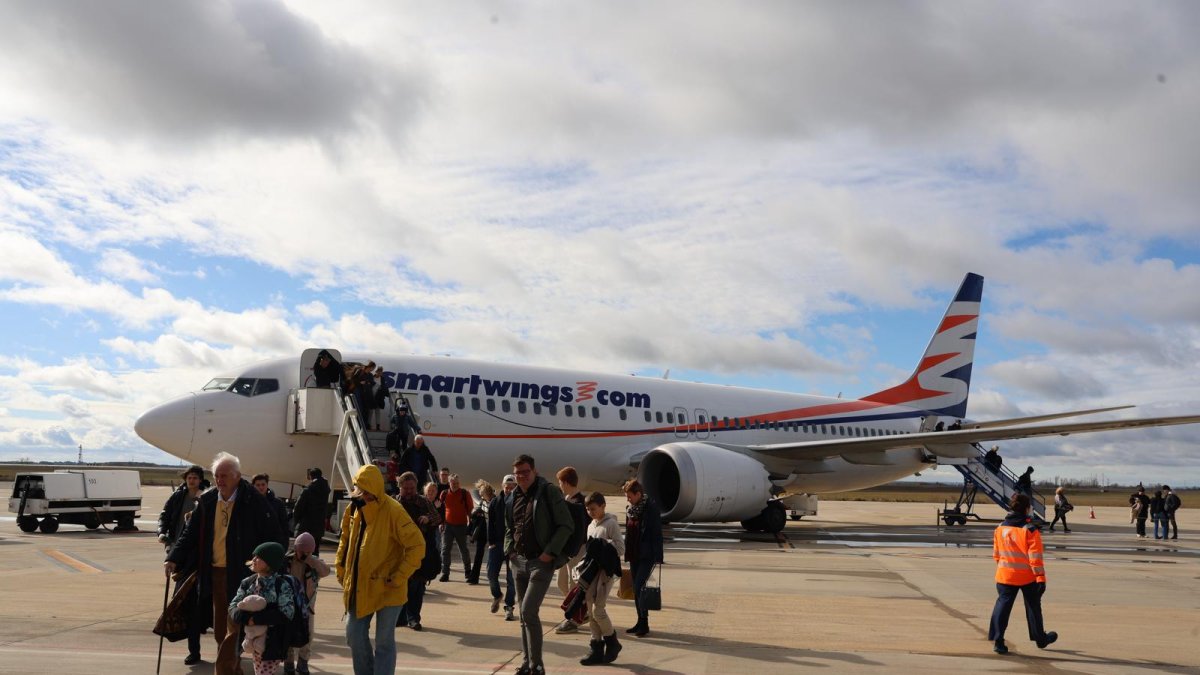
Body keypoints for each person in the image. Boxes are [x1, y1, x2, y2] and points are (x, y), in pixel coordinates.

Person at [165, 452, 286, 675]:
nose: (219, 480)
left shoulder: (253, 501)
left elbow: (276, 536)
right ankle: (233, 669)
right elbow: (189, 534)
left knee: (233, 627)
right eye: (216, 475)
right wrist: (173, 558)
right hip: (215, 573)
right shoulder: (209, 500)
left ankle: (224, 671)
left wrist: (267, 565)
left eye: (224, 476)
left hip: (244, 575)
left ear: (237, 476)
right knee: (222, 630)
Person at [335, 464, 425, 675]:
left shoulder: (393, 510)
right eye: (360, 490)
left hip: (389, 586)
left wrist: (399, 576)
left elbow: (417, 545)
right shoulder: (353, 509)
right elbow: (345, 541)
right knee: (353, 635)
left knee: (384, 641)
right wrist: (341, 569)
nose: (363, 495)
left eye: (367, 492)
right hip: (360, 584)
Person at [505, 454, 575, 675]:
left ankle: (537, 665)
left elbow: (566, 525)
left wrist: (549, 553)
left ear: (534, 471)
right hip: (519, 561)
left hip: (540, 562)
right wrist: (510, 550)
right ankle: (527, 663)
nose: (522, 476)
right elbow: (510, 527)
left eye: (525, 472)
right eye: (518, 473)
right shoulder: (513, 496)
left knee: (528, 611)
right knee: (524, 617)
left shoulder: (548, 492)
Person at [988, 492, 1057, 654]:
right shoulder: (1030, 530)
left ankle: (998, 641)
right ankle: (1040, 639)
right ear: (1026, 509)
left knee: (1002, 606)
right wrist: (1040, 577)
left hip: (1005, 575)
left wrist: (1006, 567)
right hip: (1027, 577)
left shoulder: (1000, 528)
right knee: (1033, 607)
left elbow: (996, 554)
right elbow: (1035, 557)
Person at [157, 464, 210, 664]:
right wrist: (163, 532)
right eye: (189, 477)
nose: (192, 480)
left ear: (200, 479)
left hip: (202, 558)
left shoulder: (207, 498)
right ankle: (194, 651)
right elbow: (164, 515)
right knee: (186, 604)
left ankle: (228, 650)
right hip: (180, 557)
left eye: (195, 477)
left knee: (205, 606)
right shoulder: (178, 496)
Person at [228, 541, 295, 675]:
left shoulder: (281, 585)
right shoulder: (248, 583)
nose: (254, 559)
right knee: (259, 670)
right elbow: (233, 607)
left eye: (259, 557)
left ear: (270, 563)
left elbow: (287, 613)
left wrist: (257, 619)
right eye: (254, 556)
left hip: (272, 643)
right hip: (251, 640)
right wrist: (246, 618)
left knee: (263, 672)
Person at [578, 491, 625, 666]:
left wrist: (604, 546)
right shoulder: (591, 526)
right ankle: (596, 648)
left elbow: (620, 548)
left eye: (593, 509)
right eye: (588, 509)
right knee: (590, 611)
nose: (591, 512)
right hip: (591, 573)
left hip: (605, 573)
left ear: (603, 506)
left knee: (599, 610)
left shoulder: (611, 524)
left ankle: (612, 642)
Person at [396, 471, 442, 631]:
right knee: (401, 586)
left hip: (420, 552)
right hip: (399, 552)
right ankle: (400, 617)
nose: (409, 491)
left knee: (417, 587)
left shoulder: (423, 502)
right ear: (400, 487)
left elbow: (438, 518)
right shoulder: (394, 503)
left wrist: (428, 519)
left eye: (412, 488)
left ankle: (413, 618)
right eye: (406, 488)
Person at [284, 533, 329, 675]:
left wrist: (310, 560)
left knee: (307, 636)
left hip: (307, 607)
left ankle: (303, 664)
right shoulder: (287, 561)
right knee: (287, 636)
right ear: (296, 549)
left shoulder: (314, 563)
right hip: (289, 605)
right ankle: (288, 664)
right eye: (302, 551)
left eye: (308, 551)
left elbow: (326, 571)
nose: (304, 554)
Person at [623, 478, 663, 638]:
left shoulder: (651, 509)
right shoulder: (630, 510)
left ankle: (644, 623)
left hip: (647, 555)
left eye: (630, 496)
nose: (628, 499)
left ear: (638, 494)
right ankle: (639, 621)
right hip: (633, 554)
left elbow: (657, 533)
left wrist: (658, 556)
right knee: (635, 589)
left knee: (640, 587)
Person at [554, 466, 588, 634]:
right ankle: (582, 610)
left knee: (574, 584)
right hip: (565, 551)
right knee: (561, 584)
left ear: (566, 483)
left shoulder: (579, 503)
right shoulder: (568, 500)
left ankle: (574, 618)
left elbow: (581, 530)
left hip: (576, 551)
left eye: (560, 482)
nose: (559, 485)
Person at [488, 474, 518, 621]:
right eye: (507, 487)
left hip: (513, 546)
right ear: (502, 486)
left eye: (512, 487)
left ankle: (509, 607)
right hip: (497, 544)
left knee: (511, 578)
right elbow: (490, 523)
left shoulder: (520, 502)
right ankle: (497, 595)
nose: (509, 489)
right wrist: (491, 542)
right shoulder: (495, 502)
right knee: (491, 574)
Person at [439, 473, 474, 582]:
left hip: (461, 526)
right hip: (448, 526)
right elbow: (440, 510)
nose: (455, 485)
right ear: (449, 483)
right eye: (453, 483)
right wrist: (441, 523)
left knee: (464, 550)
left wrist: (471, 524)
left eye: (457, 483)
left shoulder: (465, 493)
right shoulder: (444, 494)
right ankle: (445, 573)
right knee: (445, 550)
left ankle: (468, 572)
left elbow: (470, 509)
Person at [291, 468, 330, 556]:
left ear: (310, 476)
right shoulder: (326, 491)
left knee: (300, 554)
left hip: (305, 527)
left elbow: (298, 508)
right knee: (314, 553)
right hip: (318, 528)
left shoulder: (308, 490)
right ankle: (313, 569)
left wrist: (296, 522)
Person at [468, 480, 493, 585]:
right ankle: (474, 577)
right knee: (478, 554)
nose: (481, 497)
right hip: (483, 531)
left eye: (482, 494)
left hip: (493, 532)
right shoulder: (483, 502)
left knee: (493, 555)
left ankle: (492, 576)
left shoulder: (495, 502)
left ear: (487, 493)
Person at [370, 366, 389, 431]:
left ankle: (378, 425)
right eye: (379, 371)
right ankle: (368, 424)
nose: (380, 373)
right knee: (371, 411)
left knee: (377, 412)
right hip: (372, 396)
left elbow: (384, 387)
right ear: (376, 371)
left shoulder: (382, 379)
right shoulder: (372, 378)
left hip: (379, 397)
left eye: (381, 372)